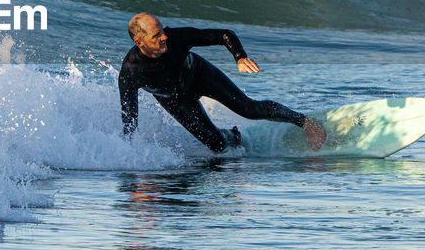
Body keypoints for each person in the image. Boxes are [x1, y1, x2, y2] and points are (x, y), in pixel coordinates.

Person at [118, 12, 326, 153]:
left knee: (249, 109)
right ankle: (236, 138)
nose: (164, 36)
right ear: (140, 42)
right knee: (216, 145)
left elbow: (224, 34)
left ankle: (306, 122)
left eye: (162, 30)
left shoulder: (176, 38)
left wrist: (240, 57)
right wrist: (131, 153)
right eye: (157, 35)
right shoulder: (131, 72)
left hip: (200, 75)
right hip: (174, 100)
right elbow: (129, 116)